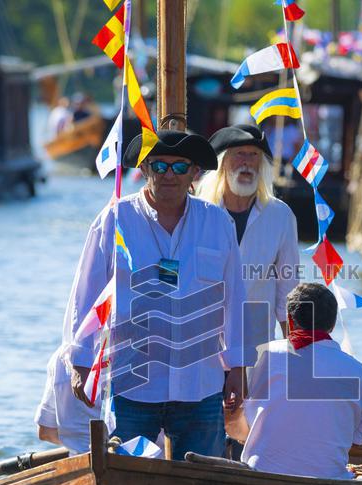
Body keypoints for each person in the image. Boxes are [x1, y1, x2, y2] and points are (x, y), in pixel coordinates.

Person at [62, 129, 247, 458]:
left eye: (179, 167)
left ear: (194, 173)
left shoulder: (218, 223)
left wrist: (237, 366)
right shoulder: (116, 218)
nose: (169, 175)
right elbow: (86, 294)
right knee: (127, 483)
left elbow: (235, 298)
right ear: (144, 169)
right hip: (133, 382)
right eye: (159, 166)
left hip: (200, 382)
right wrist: (80, 359)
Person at [233, 282, 362, 479]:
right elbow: (353, 440)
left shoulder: (263, 355)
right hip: (330, 480)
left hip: (261, 476)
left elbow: (242, 424)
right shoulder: (358, 371)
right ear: (332, 325)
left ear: (290, 322)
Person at [199, 123, 300, 341]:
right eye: (239, 154)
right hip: (204, 346)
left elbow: (288, 291)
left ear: (262, 164)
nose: (246, 162)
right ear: (223, 162)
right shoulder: (199, 214)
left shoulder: (281, 216)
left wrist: (293, 352)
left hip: (257, 345)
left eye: (253, 155)